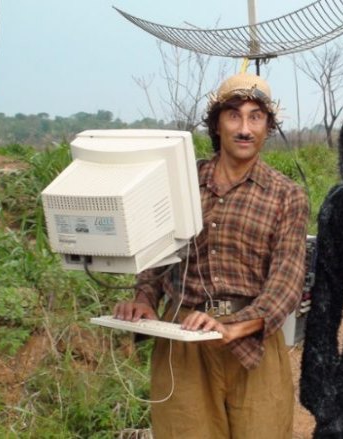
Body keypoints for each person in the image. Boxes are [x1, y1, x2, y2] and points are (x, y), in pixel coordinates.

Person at [114, 72, 309, 439]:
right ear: (217, 124)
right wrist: (144, 299)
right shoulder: (183, 181)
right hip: (184, 340)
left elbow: (287, 279)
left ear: (268, 127)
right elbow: (160, 252)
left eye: (256, 117)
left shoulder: (286, 195)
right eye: (234, 115)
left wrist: (236, 326)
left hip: (254, 344)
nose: (245, 128)